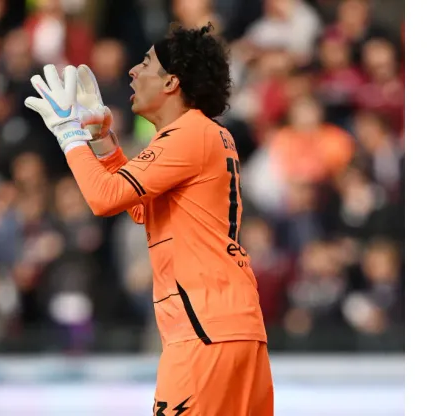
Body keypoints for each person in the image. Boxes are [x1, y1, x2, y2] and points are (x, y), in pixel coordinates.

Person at [23, 22, 274, 415]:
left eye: (145, 63)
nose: (133, 72)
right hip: (234, 327)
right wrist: (104, 143)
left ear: (172, 82)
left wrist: (67, 132)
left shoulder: (188, 135)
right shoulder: (206, 135)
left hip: (202, 331)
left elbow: (104, 198)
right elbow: (142, 207)